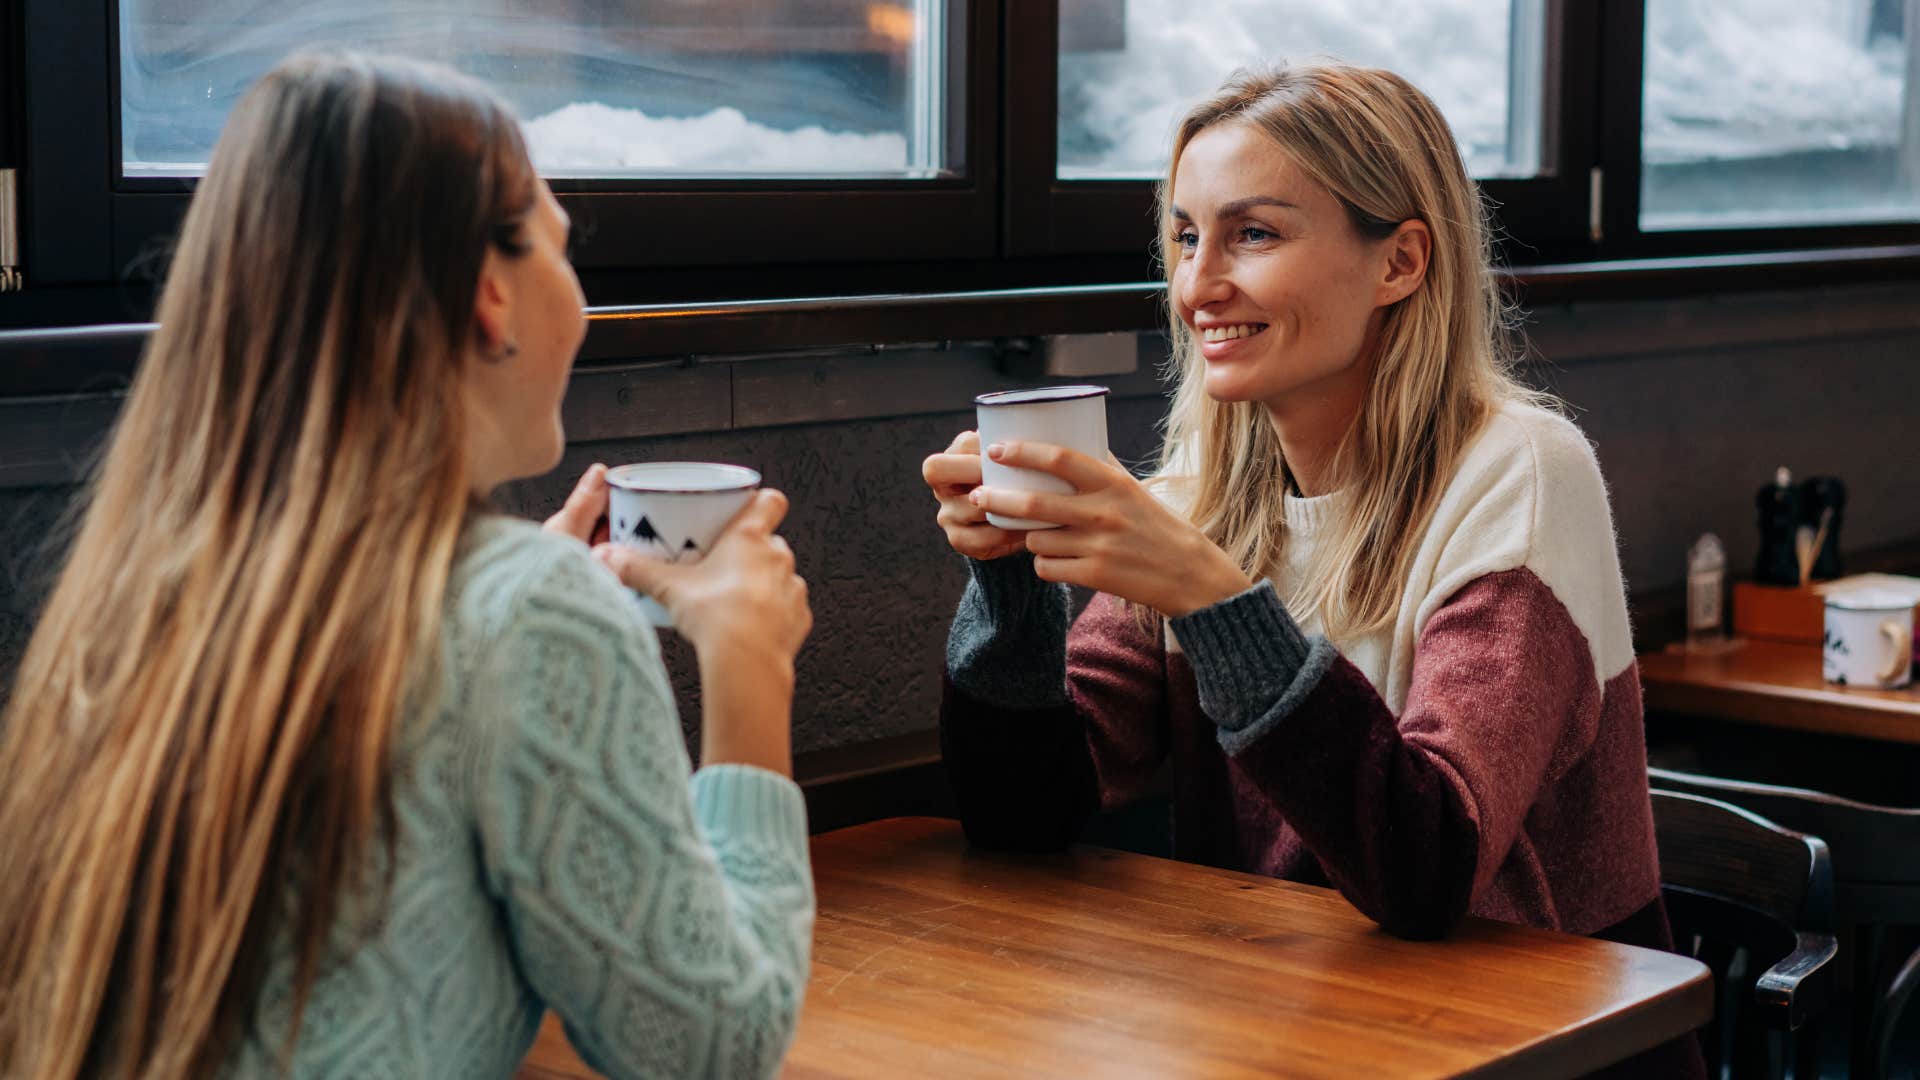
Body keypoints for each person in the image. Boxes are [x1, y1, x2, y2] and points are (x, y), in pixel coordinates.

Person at [0, 52, 813, 1080]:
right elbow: (711, 1046)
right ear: (490, 297)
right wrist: (750, 669)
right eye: (563, 249)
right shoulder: (527, 614)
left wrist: (515, 641)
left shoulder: (135, 589)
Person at [925, 63, 1701, 1076]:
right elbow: (1024, 816)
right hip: (1284, 1030)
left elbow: (1427, 865)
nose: (1199, 286)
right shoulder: (1200, 492)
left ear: (1402, 261)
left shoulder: (1521, 472)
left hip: (1536, 1051)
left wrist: (1209, 598)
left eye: (1255, 234)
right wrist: (1012, 580)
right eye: (1185, 236)